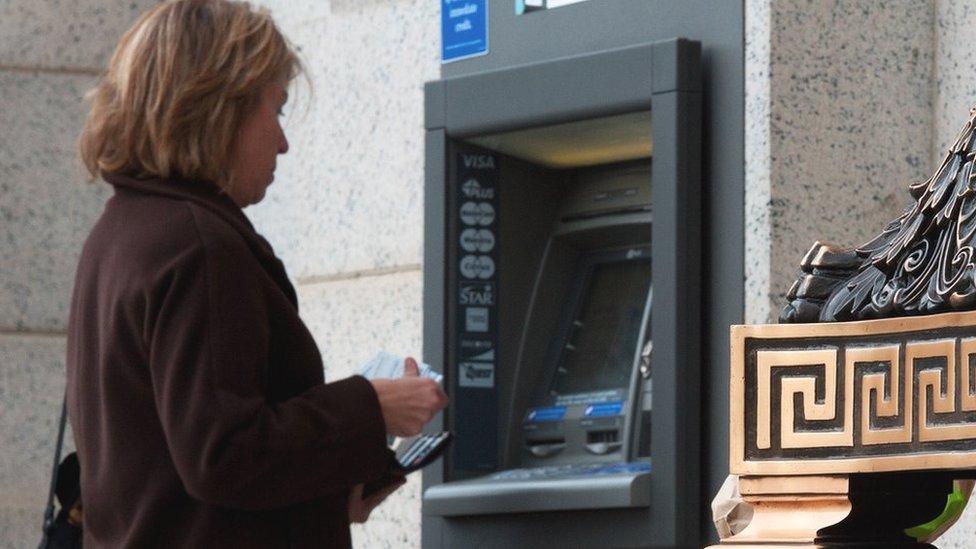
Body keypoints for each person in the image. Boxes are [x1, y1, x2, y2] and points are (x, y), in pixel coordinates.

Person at [65, 1, 448, 547]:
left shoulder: (122, 232)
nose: (283, 142)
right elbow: (224, 453)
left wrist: (329, 490)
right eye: (277, 110)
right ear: (220, 108)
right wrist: (371, 406)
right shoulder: (197, 246)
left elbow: (166, 466)